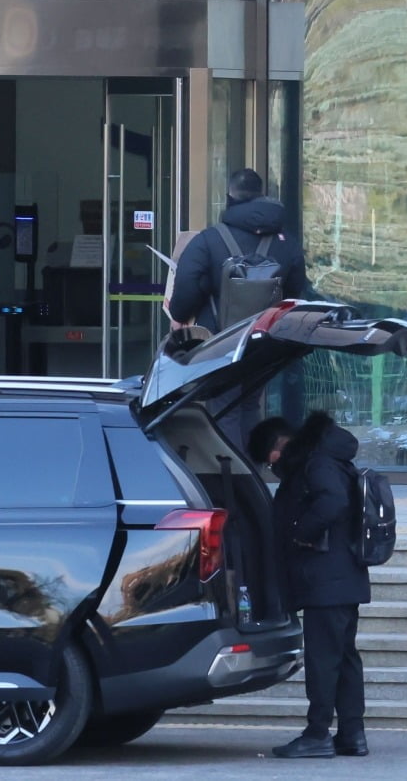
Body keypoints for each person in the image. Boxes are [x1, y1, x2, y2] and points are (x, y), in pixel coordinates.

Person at [168, 168, 310, 451]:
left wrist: (180, 317)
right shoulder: (287, 244)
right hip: (264, 342)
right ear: (262, 196)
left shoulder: (209, 240)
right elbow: (296, 292)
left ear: (229, 198)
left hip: (221, 341)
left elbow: (185, 289)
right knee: (249, 405)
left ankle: (231, 479)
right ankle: (253, 477)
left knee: (223, 408)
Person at [268, 411, 371, 759]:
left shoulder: (318, 463)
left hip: (326, 579)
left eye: (272, 458)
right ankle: (352, 735)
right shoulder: (331, 460)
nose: (273, 466)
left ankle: (317, 733)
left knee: (324, 660)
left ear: (282, 446)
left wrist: (301, 533)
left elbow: (333, 502)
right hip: (342, 577)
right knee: (343, 658)